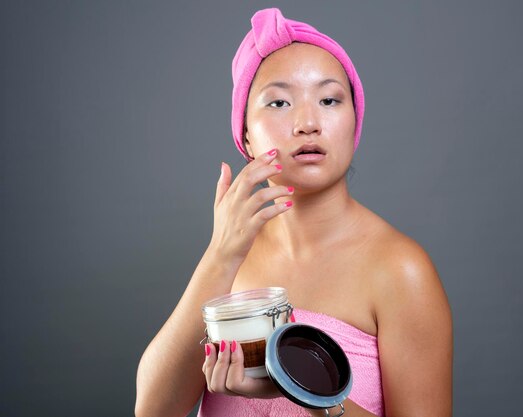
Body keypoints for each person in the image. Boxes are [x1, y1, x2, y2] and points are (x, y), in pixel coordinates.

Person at [136, 8, 452, 417]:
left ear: (354, 120)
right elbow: (153, 410)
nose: (307, 122)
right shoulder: (230, 257)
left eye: (329, 99)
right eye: (280, 102)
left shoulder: (400, 270)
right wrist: (221, 255)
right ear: (246, 135)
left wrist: (294, 389)